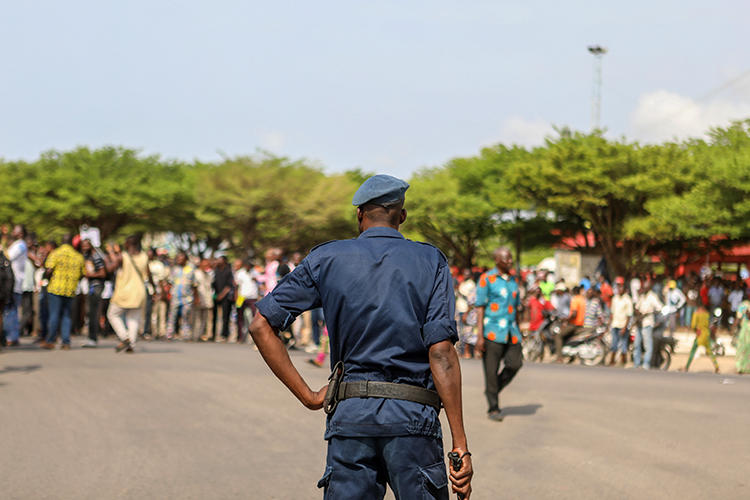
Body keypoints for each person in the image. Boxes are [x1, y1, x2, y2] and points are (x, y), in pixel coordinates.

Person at [250, 174, 472, 499]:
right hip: (413, 417)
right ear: (403, 216)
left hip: (351, 416)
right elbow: (441, 353)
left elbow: (260, 325)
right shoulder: (430, 261)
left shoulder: (327, 259)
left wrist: (309, 395)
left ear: (359, 214)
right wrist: (460, 444)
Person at [476, 247, 522, 422]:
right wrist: (480, 336)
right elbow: (480, 307)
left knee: (515, 363)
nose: (510, 261)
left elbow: (516, 307)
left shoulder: (513, 280)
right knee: (491, 371)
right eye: (506, 258)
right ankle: (493, 407)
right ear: (497, 260)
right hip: (492, 331)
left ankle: (492, 390)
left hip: (511, 331)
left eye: (510, 258)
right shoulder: (486, 279)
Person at [40, 234, 85, 350]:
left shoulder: (55, 253)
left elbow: (49, 270)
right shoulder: (78, 256)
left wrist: (46, 277)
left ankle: (50, 340)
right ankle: (66, 342)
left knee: (54, 315)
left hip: (55, 288)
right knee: (66, 316)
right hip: (70, 289)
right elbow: (82, 274)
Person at [106, 236, 150, 353]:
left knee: (112, 314)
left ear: (127, 244)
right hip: (139, 292)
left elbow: (109, 268)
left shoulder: (123, 257)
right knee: (133, 319)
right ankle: (132, 344)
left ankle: (125, 337)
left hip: (124, 292)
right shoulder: (144, 257)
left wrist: (111, 253)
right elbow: (149, 275)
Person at [2, 224, 28, 347]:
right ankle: (13, 336)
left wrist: (3, 244)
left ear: (21, 233)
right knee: (12, 310)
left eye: (16, 230)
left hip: (13, 283)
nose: (13, 231)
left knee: (10, 311)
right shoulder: (18, 244)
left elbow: (8, 256)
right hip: (12, 282)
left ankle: (10, 337)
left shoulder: (20, 245)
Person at [80, 239, 107, 347]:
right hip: (91, 286)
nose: (84, 248)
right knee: (90, 313)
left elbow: (103, 273)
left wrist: (90, 275)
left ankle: (93, 338)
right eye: (83, 246)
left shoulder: (96, 256)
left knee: (93, 312)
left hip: (97, 286)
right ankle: (91, 337)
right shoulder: (86, 256)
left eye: (86, 246)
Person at [166, 251, 196, 341]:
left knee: (185, 316)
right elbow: (170, 282)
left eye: (181, 258)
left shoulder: (191, 269)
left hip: (187, 297)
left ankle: (186, 335)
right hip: (175, 296)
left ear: (185, 259)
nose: (179, 260)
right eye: (178, 258)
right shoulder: (175, 269)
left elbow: (194, 285)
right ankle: (169, 334)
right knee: (172, 316)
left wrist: (196, 297)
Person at [633, 282, 663, 370]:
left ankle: (646, 364)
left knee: (647, 345)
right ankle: (636, 364)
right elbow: (637, 307)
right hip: (639, 323)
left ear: (649, 288)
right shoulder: (642, 297)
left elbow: (659, 308)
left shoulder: (652, 297)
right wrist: (638, 313)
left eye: (645, 287)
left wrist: (649, 313)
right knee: (636, 344)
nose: (643, 289)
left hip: (647, 323)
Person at [684, 304, 719, 373]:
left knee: (693, 351)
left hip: (699, 335)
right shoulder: (707, 314)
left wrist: (696, 331)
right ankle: (717, 367)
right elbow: (709, 324)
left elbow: (693, 325)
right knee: (710, 352)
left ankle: (686, 367)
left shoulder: (696, 314)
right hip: (706, 335)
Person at [556, 285, 586, 362]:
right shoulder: (582, 300)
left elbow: (574, 314)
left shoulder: (575, 300)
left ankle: (559, 357)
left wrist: (566, 320)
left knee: (558, 336)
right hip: (581, 324)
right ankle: (571, 356)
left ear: (574, 292)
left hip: (574, 324)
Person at [607, 280, 633, 366]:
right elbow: (612, 313)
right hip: (615, 324)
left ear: (624, 289)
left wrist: (625, 328)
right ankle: (612, 361)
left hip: (623, 325)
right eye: (618, 287)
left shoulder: (627, 300)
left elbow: (629, 315)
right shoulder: (615, 298)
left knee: (623, 345)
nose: (619, 289)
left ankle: (623, 362)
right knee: (614, 344)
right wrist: (609, 324)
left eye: (621, 287)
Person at [211, 256, 234, 342]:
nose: (218, 261)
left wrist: (222, 295)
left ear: (224, 261)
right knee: (214, 316)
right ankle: (213, 334)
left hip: (225, 297)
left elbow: (229, 285)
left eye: (220, 260)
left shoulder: (228, 271)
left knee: (225, 316)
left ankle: (224, 334)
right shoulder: (215, 271)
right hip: (215, 296)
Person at [194, 258, 214, 342]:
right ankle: (195, 335)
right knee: (197, 318)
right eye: (205, 264)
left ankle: (201, 335)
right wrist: (196, 298)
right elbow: (194, 287)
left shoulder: (208, 275)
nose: (207, 266)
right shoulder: (196, 273)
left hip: (207, 300)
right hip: (199, 298)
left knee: (205, 319)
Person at [734, 294, 750, 374]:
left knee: (741, 349)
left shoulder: (741, 306)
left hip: (745, 328)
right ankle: (746, 367)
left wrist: (734, 327)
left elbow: (738, 318)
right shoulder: (748, 305)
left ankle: (740, 367)